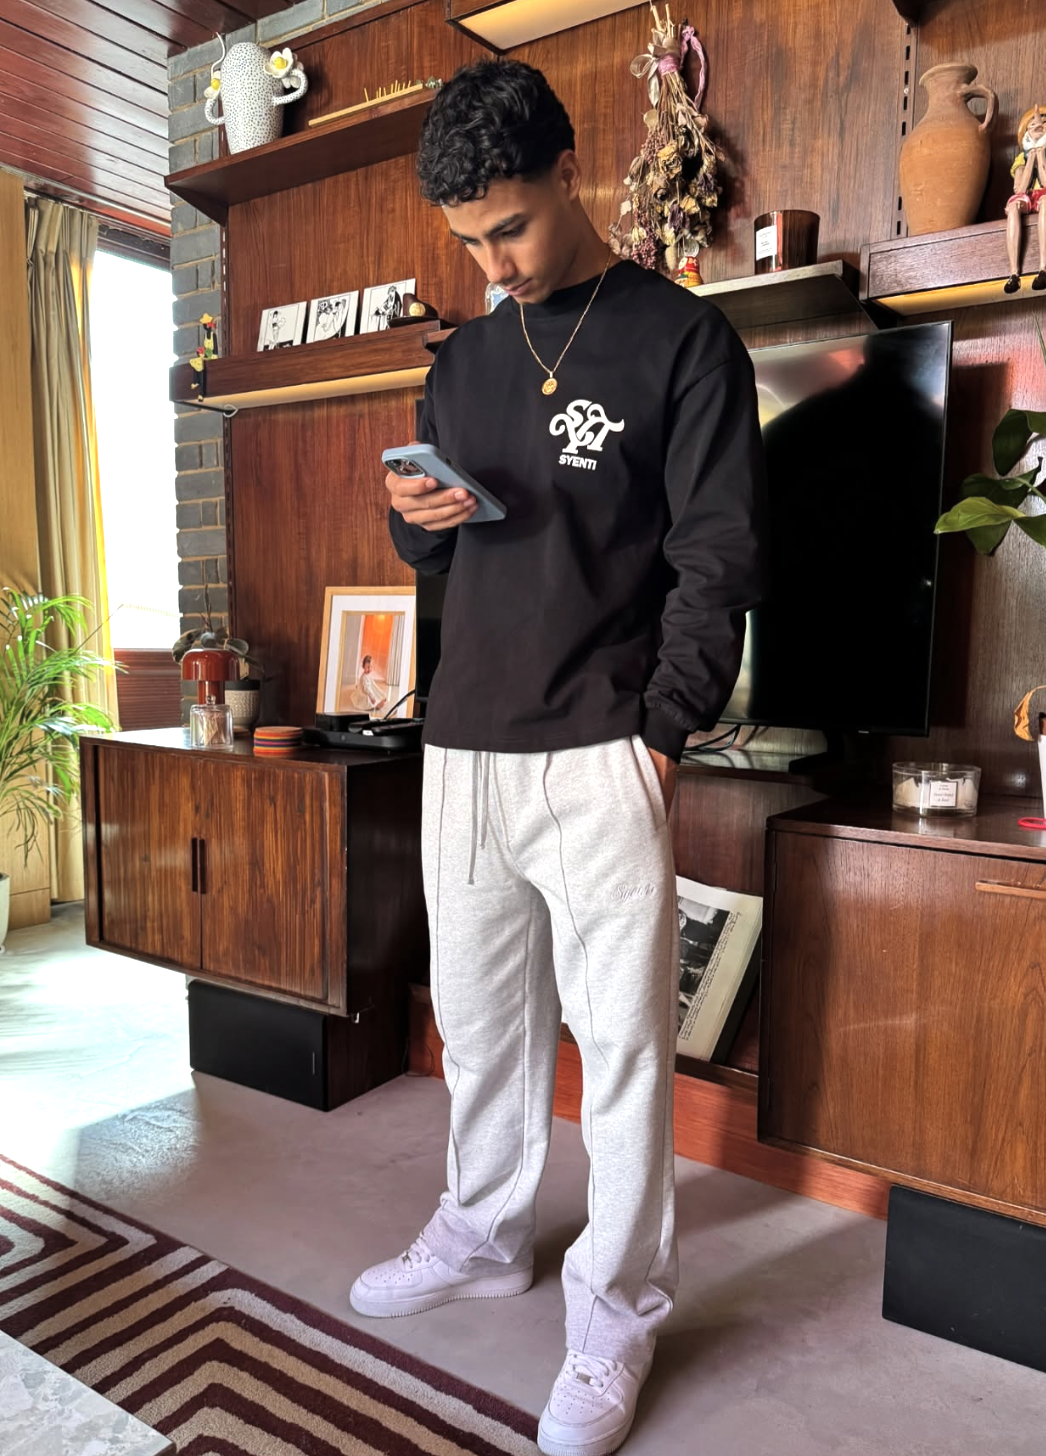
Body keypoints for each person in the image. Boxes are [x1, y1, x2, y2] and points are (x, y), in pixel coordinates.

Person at [350, 59, 766, 1456]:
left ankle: (616, 1311)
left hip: (602, 749)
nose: (493, 265)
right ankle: (482, 1232)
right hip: (462, 745)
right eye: (469, 241)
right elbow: (443, 552)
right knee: (479, 1029)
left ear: (567, 172)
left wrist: (662, 735)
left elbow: (717, 556)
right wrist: (410, 519)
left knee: (626, 1047)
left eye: (510, 228)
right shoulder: (461, 363)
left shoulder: (682, 343)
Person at [1005, 104, 1046, 293]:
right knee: (1013, 206)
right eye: (1034, 125)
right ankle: (1014, 273)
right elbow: (1020, 189)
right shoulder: (1021, 159)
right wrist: (1032, 156)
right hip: (1027, 196)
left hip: (1043, 195)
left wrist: (1041, 154)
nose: (1040, 126)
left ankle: (1043, 268)